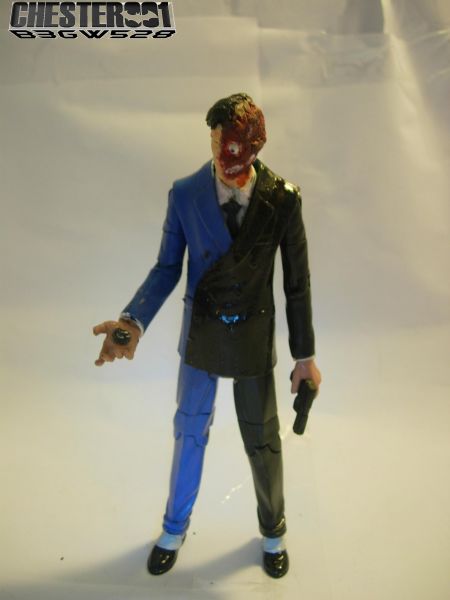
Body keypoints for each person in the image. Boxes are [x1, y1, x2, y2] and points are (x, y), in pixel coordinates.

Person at [93, 93, 321, 579]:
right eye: (217, 142)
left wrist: (304, 357)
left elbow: (296, 284)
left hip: (254, 333)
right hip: (201, 334)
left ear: (255, 146)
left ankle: (274, 529)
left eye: (234, 145)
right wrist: (131, 321)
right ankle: (174, 528)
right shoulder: (185, 194)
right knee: (188, 429)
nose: (223, 155)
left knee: (263, 439)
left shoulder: (283, 199)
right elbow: (166, 268)